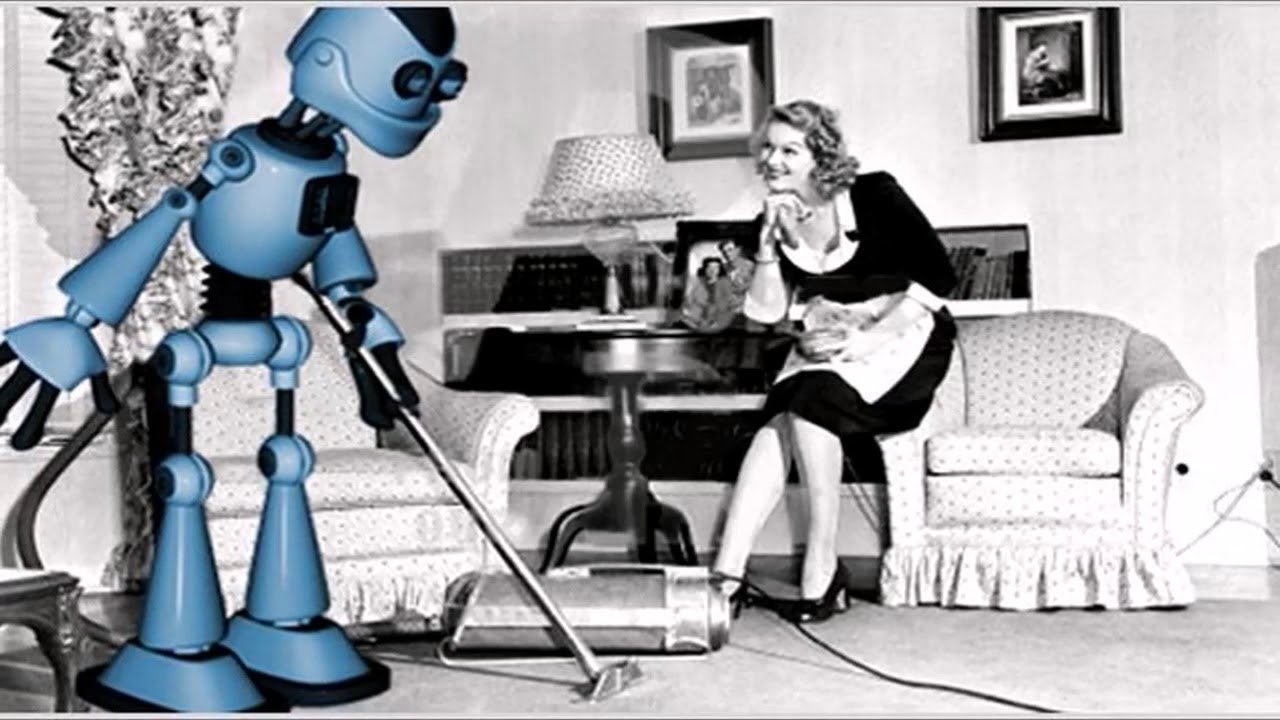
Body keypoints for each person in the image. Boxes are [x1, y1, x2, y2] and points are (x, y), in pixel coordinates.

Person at [711, 99, 957, 624]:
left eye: (789, 150)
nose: (772, 161)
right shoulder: (772, 216)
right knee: (781, 416)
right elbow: (766, 312)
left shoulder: (875, 195)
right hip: (830, 337)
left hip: (902, 331)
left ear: (820, 156)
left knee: (806, 401)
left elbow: (939, 275)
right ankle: (727, 574)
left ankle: (820, 562)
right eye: (768, 149)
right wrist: (767, 247)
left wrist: (871, 339)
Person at [681, 255, 740, 331]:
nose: (712, 270)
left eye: (716, 267)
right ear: (705, 269)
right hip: (694, 319)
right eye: (709, 267)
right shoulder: (696, 282)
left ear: (719, 269)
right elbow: (688, 300)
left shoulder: (725, 283)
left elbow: (731, 302)